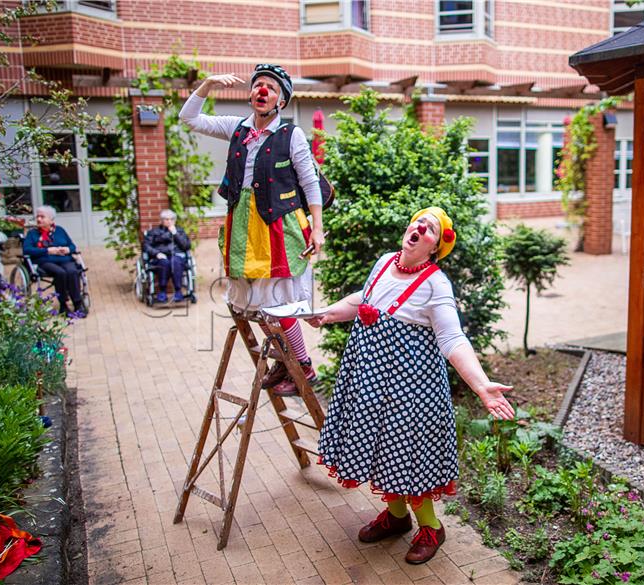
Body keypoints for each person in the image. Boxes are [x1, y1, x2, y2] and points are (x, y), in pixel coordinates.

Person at [307, 207, 515, 565]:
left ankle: (431, 528)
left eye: (430, 228)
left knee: (407, 456)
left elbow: (452, 337)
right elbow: (365, 299)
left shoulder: (436, 283)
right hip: (370, 382)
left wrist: (481, 385)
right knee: (378, 449)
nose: (419, 227)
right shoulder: (386, 261)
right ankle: (398, 517)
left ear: (436, 247)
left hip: (411, 392)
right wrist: (330, 312)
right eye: (419, 221)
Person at [180, 64, 325, 396]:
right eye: (258, 85)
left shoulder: (292, 135)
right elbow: (189, 119)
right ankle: (285, 364)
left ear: (281, 101)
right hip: (244, 225)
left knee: (279, 302)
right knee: (261, 305)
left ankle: (303, 367)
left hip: (278, 226)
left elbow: (310, 183)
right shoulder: (236, 128)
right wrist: (207, 85)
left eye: (271, 88)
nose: (262, 91)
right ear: (250, 95)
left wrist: (317, 228)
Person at [22, 205, 86, 316]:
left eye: (42, 217)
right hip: (45, 261)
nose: (39, 219)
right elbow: (26, 250)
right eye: (38, 217)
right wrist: (47, 250)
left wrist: (67, 249)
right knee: (60, 273)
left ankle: (77, 303)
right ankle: (63, 304)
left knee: (72, 271)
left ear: (51, 220)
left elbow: (72, 246)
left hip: (64, 259)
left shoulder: (60, 230)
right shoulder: (32, 234)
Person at [144, 209, 192, 303]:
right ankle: (162, 291)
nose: (169, 221)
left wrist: (175, 233)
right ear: (162, 220)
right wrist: (156, 253)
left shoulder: (179, 231)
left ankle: (178, 291)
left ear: (174, 220)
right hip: (161, 257)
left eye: (171, 219)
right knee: (164, 262)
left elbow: (186, 246)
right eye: (166, 219)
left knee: (175, 261)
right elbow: (146, 246)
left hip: (177, 257)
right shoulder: (154, 232)